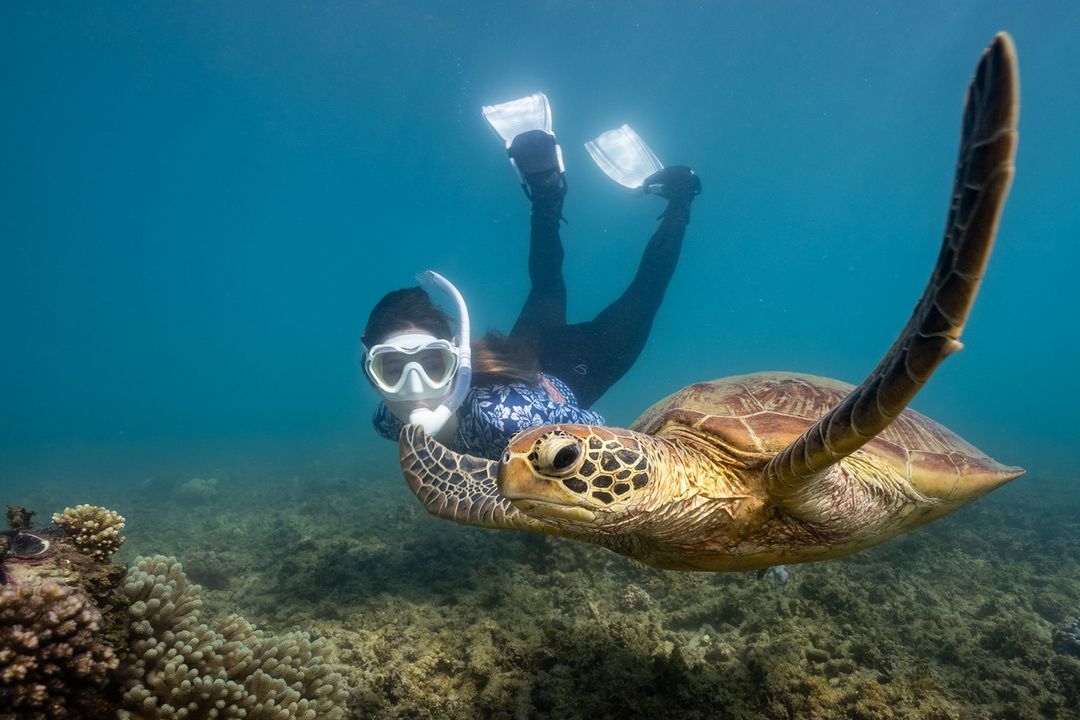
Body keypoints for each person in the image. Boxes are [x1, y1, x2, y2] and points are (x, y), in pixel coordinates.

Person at [361, 96, 702, 460]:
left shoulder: (507, 419)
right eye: (391, 371)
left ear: (457, 360)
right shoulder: (388, 420)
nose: (415, 390)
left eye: (433, 364)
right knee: (551, 286)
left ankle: (676, 199)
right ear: (371, 375)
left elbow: (597, 433)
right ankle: (548, 192)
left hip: (578, 369)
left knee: (639, 295)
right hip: (521, 354)